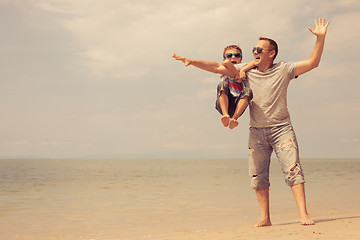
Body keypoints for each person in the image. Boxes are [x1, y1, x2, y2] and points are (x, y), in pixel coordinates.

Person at [233, 18, 329, 227]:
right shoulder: (247, 70)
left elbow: (313, 63)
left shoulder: (284, 69)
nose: (255, 51)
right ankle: (265, 218)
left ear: (271, 53)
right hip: (256, 131)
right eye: (253, 49)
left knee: (294, 170)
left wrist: (320, 39)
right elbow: (218, 67)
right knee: (258, 177)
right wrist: (190, 61)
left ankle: (303, 214)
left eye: (259, 49)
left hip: (281, 129)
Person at [172, 45, 255, 129]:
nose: (233, 57)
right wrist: (191, 61)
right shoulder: (225, 68)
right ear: (224, 58)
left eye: (237, 55)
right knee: (223, 85)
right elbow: (221, 64)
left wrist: (243, 70)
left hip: (237, 104)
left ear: (241, 59)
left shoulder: (244, 67)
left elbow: (255, 62)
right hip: (224, 103)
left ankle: (234, 119)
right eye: (229, 55)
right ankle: (225, 115)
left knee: (248, 91)